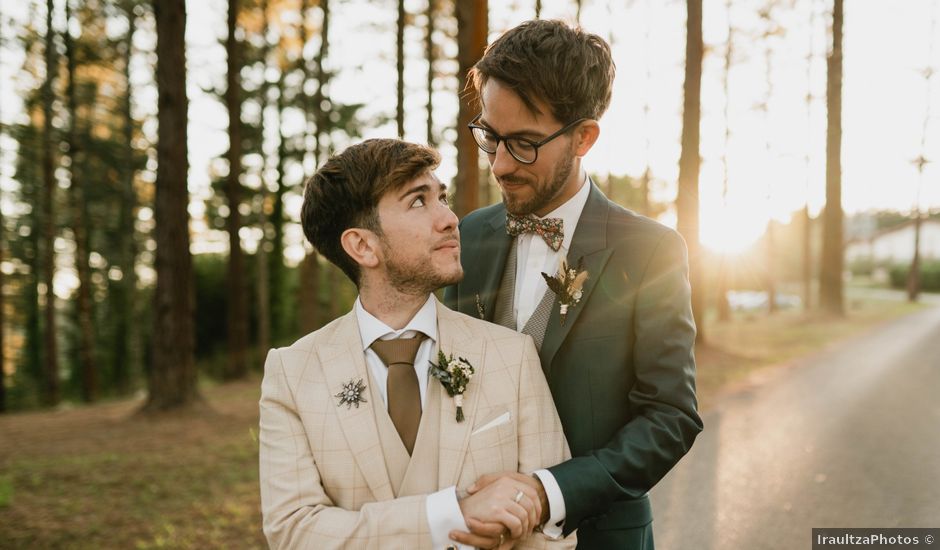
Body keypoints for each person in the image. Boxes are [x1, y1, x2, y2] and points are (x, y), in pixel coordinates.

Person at [443, 20, 703, 550]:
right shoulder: (470, 235)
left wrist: (548, 492)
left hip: (599, 535)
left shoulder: (650, 250)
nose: (498, 164)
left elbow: (670, 416)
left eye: (523, 144)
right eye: (490, 136)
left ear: (583, 136)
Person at [259, 138, 575, 550]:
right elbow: (294, 532)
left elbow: (554, 534)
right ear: (362, 246)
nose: (450, 219)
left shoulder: (511, 355)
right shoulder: (293, 373)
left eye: (441, 198)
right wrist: (448, 517)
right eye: (418, 202)